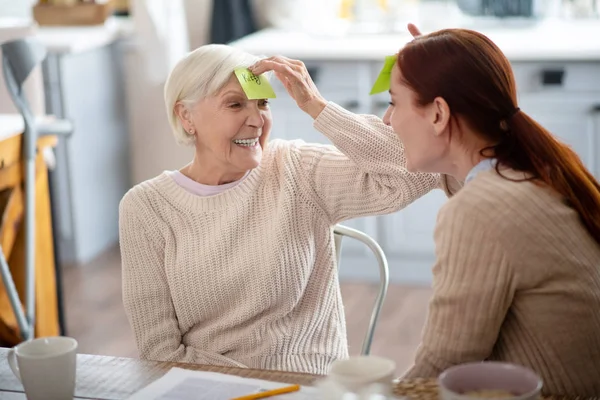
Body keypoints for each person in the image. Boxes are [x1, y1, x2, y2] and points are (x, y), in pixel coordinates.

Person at [119, 43, 459, 375]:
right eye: (235, 105)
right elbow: (159, 352)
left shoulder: (294, 169)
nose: (257, 120)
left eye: (263, 103)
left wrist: (317, 106)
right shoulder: (146, 208)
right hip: (209, 390)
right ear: (186, 115)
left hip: (306, 386)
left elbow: (418, 167)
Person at [378, 28, 600, 396]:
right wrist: (444, 60)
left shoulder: (479, 210)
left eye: (393, 102)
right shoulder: (534, 173)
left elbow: (440, 368)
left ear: (438, 114)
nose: (387, 120)